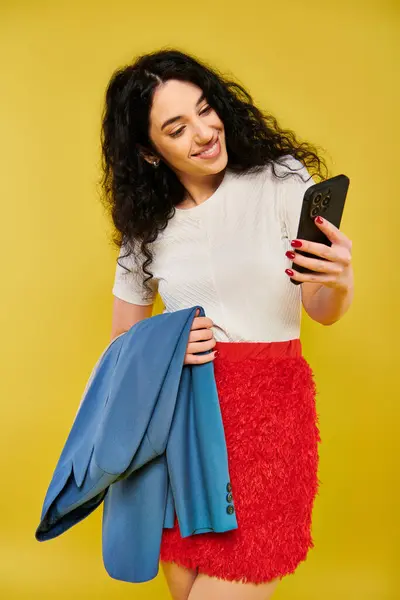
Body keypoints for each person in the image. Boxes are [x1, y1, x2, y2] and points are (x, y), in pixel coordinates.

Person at [100, 48, 354, 600]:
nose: (204, 132)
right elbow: (121, 344)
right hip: (182, 423)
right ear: (148, 151)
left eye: (205, 109)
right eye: (177, 127)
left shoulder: (280, 181)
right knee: (186, 588)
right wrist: (164, 343)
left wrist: (339, 279)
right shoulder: (145, 229)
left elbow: (320, 309)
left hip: (270, 418)